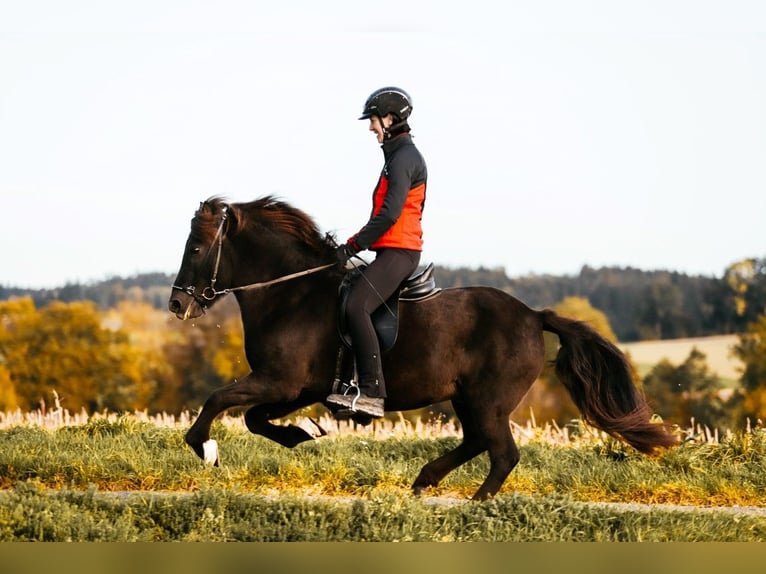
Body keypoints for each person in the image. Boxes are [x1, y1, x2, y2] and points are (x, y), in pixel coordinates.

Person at [326, 86, 427, 418]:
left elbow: (389, 215)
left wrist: (351, 246)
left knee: (357, 307)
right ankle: (346, 383)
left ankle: (371, 392)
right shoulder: (397, 157)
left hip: (400, 252)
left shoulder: (404, 159)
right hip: (391, 250)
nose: (371, 127)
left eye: (373, 120)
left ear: (390, 119)